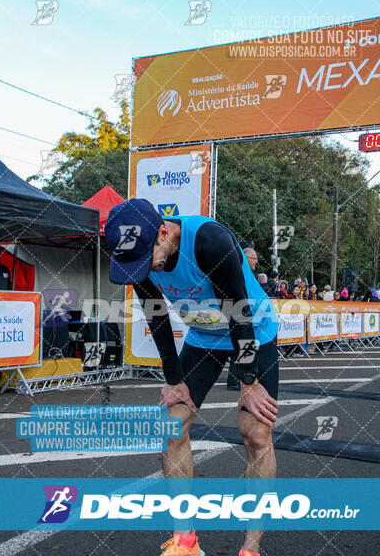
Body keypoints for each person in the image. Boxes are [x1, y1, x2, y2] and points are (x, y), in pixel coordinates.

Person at [105, 199, 279, 556]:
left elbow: (239, 314)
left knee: (256, 433)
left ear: (164, 233)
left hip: (252, 329)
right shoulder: (139, 258)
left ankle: (251, 549)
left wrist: (247, 381)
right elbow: (157, 318)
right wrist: (172, 380)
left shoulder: (210, 241)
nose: (142, 272)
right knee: (171, 424)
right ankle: (186, 541)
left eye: (145, 262)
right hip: (203, 336)